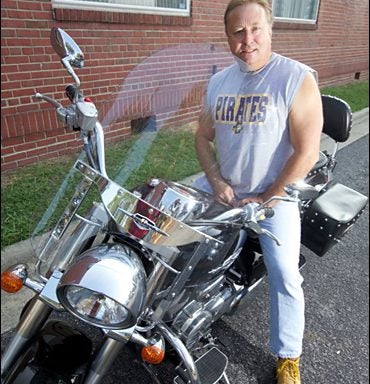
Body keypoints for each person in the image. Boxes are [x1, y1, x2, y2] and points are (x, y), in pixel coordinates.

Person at [193, 0, 323, 383]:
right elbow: (202, 138)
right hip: (227, 191)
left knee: (285, 274)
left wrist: (269, 197)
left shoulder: (295, 78)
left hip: (274, 197)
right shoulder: (218, 82)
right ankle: (180, 314)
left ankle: (288, 356)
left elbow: (307, 152)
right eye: (237, 32)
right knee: (178, 238)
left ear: (270, 30)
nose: (247, 40)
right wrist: (216, 181)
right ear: (227, 36)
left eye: (255, 30)